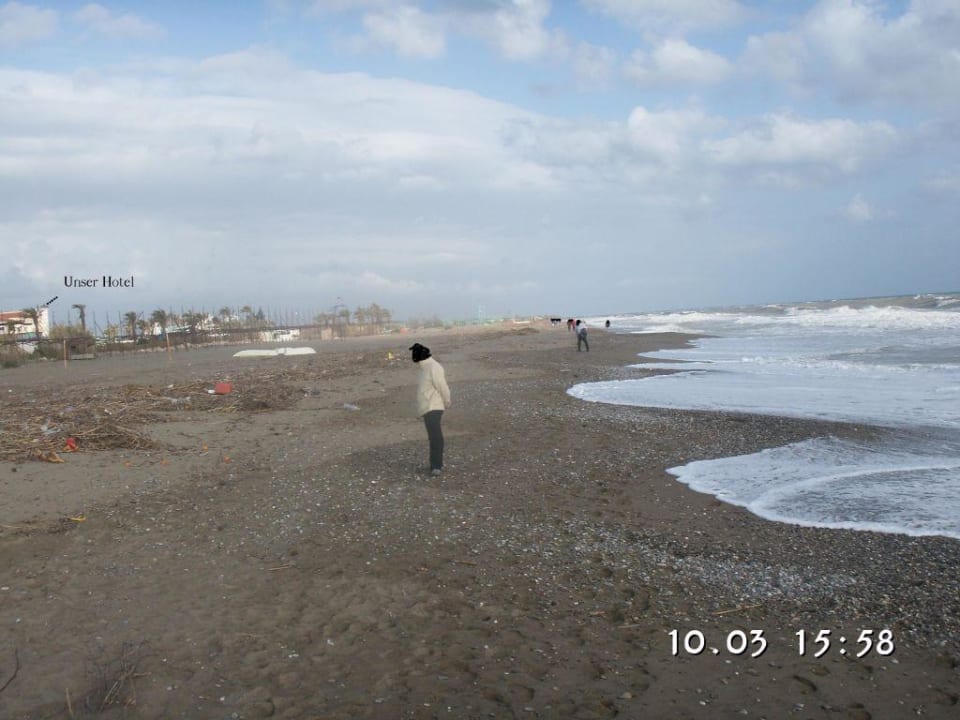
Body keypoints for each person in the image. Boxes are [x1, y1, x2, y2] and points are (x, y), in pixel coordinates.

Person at [409, 343, 451, 475]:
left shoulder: (434, 367)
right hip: (427, 407)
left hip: (433, 406)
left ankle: (436, 466)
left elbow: (442, 386)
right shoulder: (425, 367)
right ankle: (435, 465)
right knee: (433, 436)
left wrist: (447, 401)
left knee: (435, 437)